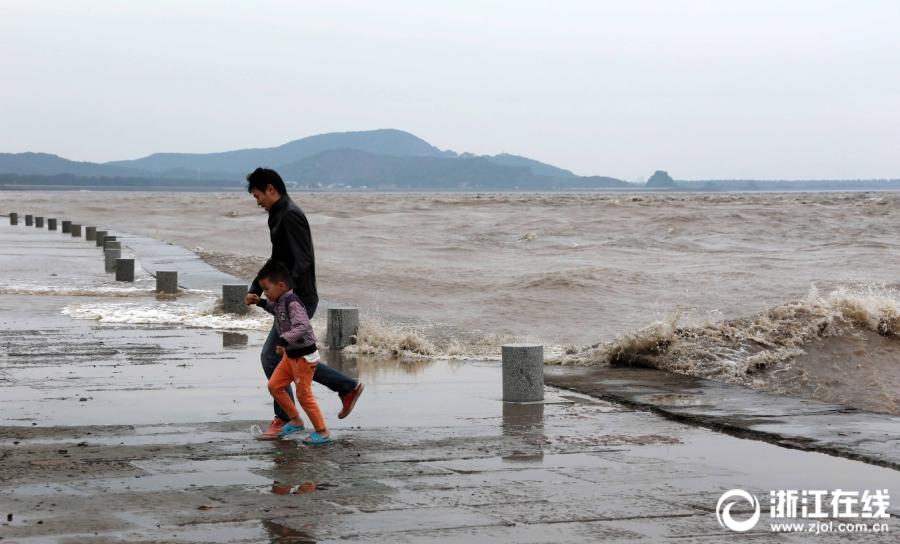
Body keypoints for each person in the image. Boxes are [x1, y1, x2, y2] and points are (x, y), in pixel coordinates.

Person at [244, 167, 364, 440]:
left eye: (258, 195)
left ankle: (287, 417)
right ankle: (346, 388)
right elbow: (276, 260)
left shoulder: (290, 216)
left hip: (298, 299)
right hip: (288, 296)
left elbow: (302, 262)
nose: (257, 202)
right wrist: (257, 288)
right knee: (294, 359)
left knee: (272, 356)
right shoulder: (278, 215)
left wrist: (284, 297)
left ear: (271, 189)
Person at [248, 262, 332, 444]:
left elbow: (302, 325)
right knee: (274, 386)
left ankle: (322, 432)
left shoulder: (292, 302)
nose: (265, 293)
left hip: (304, 356)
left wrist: (284, 340)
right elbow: (274, 309)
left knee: (304, 395)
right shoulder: (279, 300)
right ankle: (295, 420)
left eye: (266, 289)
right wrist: (260, 302)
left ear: (281, 286)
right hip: (290, 356)